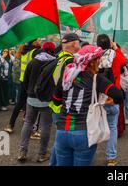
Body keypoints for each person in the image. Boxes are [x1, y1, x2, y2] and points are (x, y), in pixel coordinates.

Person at [52, 45, 124, 166]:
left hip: (62, 132)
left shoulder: (66, 76)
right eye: (98, 58)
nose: (100, 60)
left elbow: (56, 101)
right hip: (84, 134)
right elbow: (119, 96)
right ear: (92, 62)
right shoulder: (97, 79)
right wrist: (107, 101)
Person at [17, 42, 57, 163]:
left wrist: (29, 92)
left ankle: (22, 151)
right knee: (45, 126)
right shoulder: (55, 63)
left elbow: (25, 80)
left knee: (28, 123)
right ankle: (42, 154)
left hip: (31, 98)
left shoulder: (33, 62)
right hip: (47, 100)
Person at [49, 33, 81, 166]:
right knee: (61, 143)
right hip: (63, 105)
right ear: (74, 43)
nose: (79, 45)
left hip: (55, 104)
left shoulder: (59, 57)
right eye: (78, 42)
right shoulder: (70, 61)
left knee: (59, 141)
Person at [96, 34, 127, 166]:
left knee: (94, 126)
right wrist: (116, 48)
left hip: (98, 96)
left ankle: (89, 154)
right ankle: (111, 157)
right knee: (112, 127)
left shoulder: (94, 56)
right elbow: (124, 62)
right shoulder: (114, 55)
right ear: (110, 43)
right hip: (113, 95)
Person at [4, 39, 42, 133]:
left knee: (20, 103)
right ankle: (34, 130)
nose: (40, 40)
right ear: (34, 42)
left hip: (23, 81)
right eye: (38, 39)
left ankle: (10, 124)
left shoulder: (24, 51)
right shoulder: (36, 52)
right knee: (36, 105)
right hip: (32, 82)